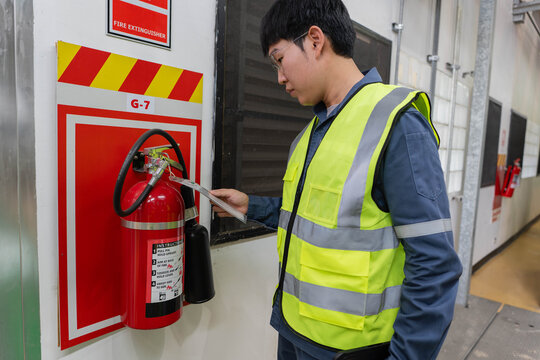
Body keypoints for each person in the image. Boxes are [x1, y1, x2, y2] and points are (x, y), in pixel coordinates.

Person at [210, 0, 463, 359]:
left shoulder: (398, 124)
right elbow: (313, 218)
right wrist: (252, 206)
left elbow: (435, 266)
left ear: (314, 40)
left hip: (350, 351)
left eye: (279, 59)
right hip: (294, 333)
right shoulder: (312, 133)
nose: (279, 78)